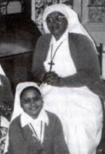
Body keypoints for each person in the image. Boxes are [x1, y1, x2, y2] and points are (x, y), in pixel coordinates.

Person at [32, 4, 104, 154]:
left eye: (58, 18)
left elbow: (91, 73)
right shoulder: (43, 41)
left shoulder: (80, 40)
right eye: (49, 20)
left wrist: (61, 81)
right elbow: (36, 69)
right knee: (45, 116)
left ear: (68, 20)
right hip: (49, 89)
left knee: (77, 120)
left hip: (80, 90)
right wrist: (43, 76)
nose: (54, 23)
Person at [8, 82, 69, 154]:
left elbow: (61, 148)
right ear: (21, 104)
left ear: (42, 100)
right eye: (27, 100)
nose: (32, 103)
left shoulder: (53, 119)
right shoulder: (16, 125)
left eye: (36, 98)